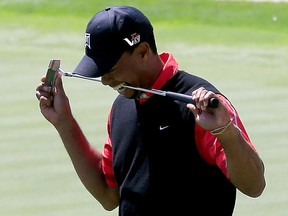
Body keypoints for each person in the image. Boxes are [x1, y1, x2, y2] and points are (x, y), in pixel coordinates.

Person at [35, 5, 265, 215]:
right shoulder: (120, 108)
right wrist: (64, 123)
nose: (105, 81)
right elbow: (108, 195)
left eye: (111, 69)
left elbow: (255, 185)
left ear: (143, 52)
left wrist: (225, 132)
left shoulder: (203, 109)